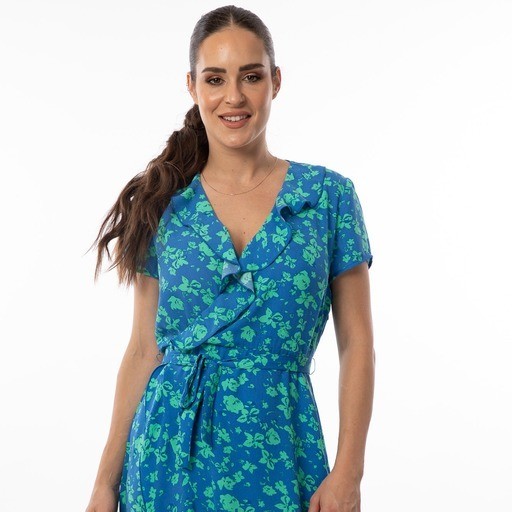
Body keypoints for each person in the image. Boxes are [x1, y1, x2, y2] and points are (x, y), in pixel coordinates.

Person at [85, 5, 375, 512]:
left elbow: (358, 345)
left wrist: (349, 472)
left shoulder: (327, 198)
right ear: (192, 86)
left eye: (251, 76)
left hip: (280, 452)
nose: (234, 97)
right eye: (215, 79)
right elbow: (142, 351)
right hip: (165, 461)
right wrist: (104, 483)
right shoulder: (162, 204)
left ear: (276, 81)